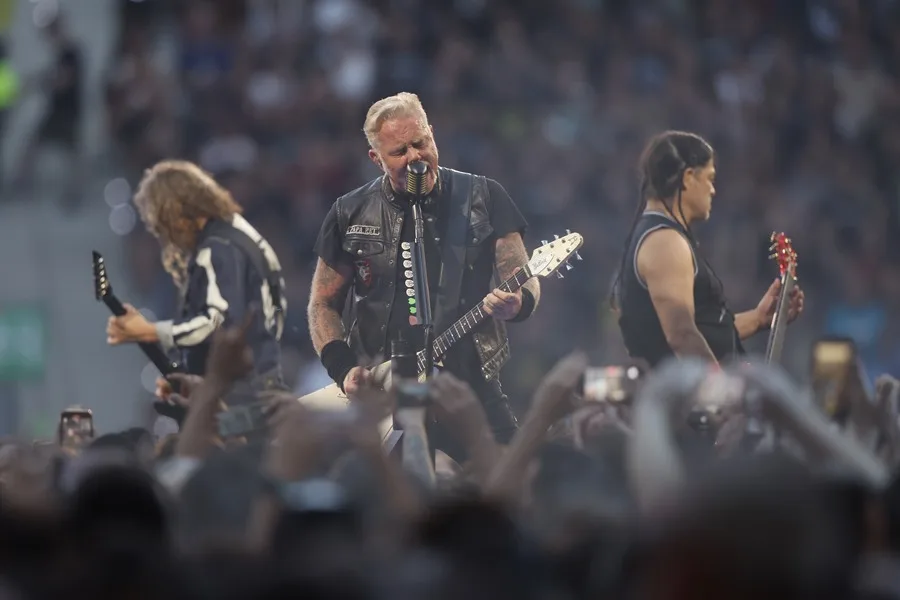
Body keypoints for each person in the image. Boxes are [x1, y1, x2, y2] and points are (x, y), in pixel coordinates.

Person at [308, 92, 541, 452]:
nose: (414, 157)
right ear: (376, 158)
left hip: (469, 385)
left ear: (432, 133)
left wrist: (518, 303)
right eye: (399, 152)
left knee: (510, 475)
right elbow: (323, 303)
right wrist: (343, 368)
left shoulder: (483, 196)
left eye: (420, 143)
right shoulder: (348, 212)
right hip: (382, 389)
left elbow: (524, 276)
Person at [612, 130, 804, 367]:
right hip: (680, 391)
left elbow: (699, 332)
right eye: (710, 179)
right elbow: (682, 335)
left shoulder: (662, 236)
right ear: (688, 177)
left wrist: (757, 318)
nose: (713, 190)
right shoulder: (665, 242)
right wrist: (720, 385)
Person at [106, 160, 289, 398]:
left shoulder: (219, 248)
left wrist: (152, 331)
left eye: (161, 220)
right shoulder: (226, 236)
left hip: (244, 394)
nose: (160, 232)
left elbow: (218, 323)